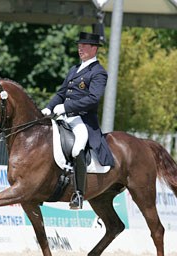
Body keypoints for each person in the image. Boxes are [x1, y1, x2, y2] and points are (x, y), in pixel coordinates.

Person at [42, 31, 114, 210]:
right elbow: (61, 93)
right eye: (79, 46)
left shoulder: (98, 72)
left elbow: (93, 98)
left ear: (94, 48)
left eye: (84, 46)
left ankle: (79, 194)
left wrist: (67, 107)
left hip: (83, 120)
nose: (80, 49)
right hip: (65, 117)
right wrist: (49, 107)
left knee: (77, 147)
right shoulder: (74, 69)